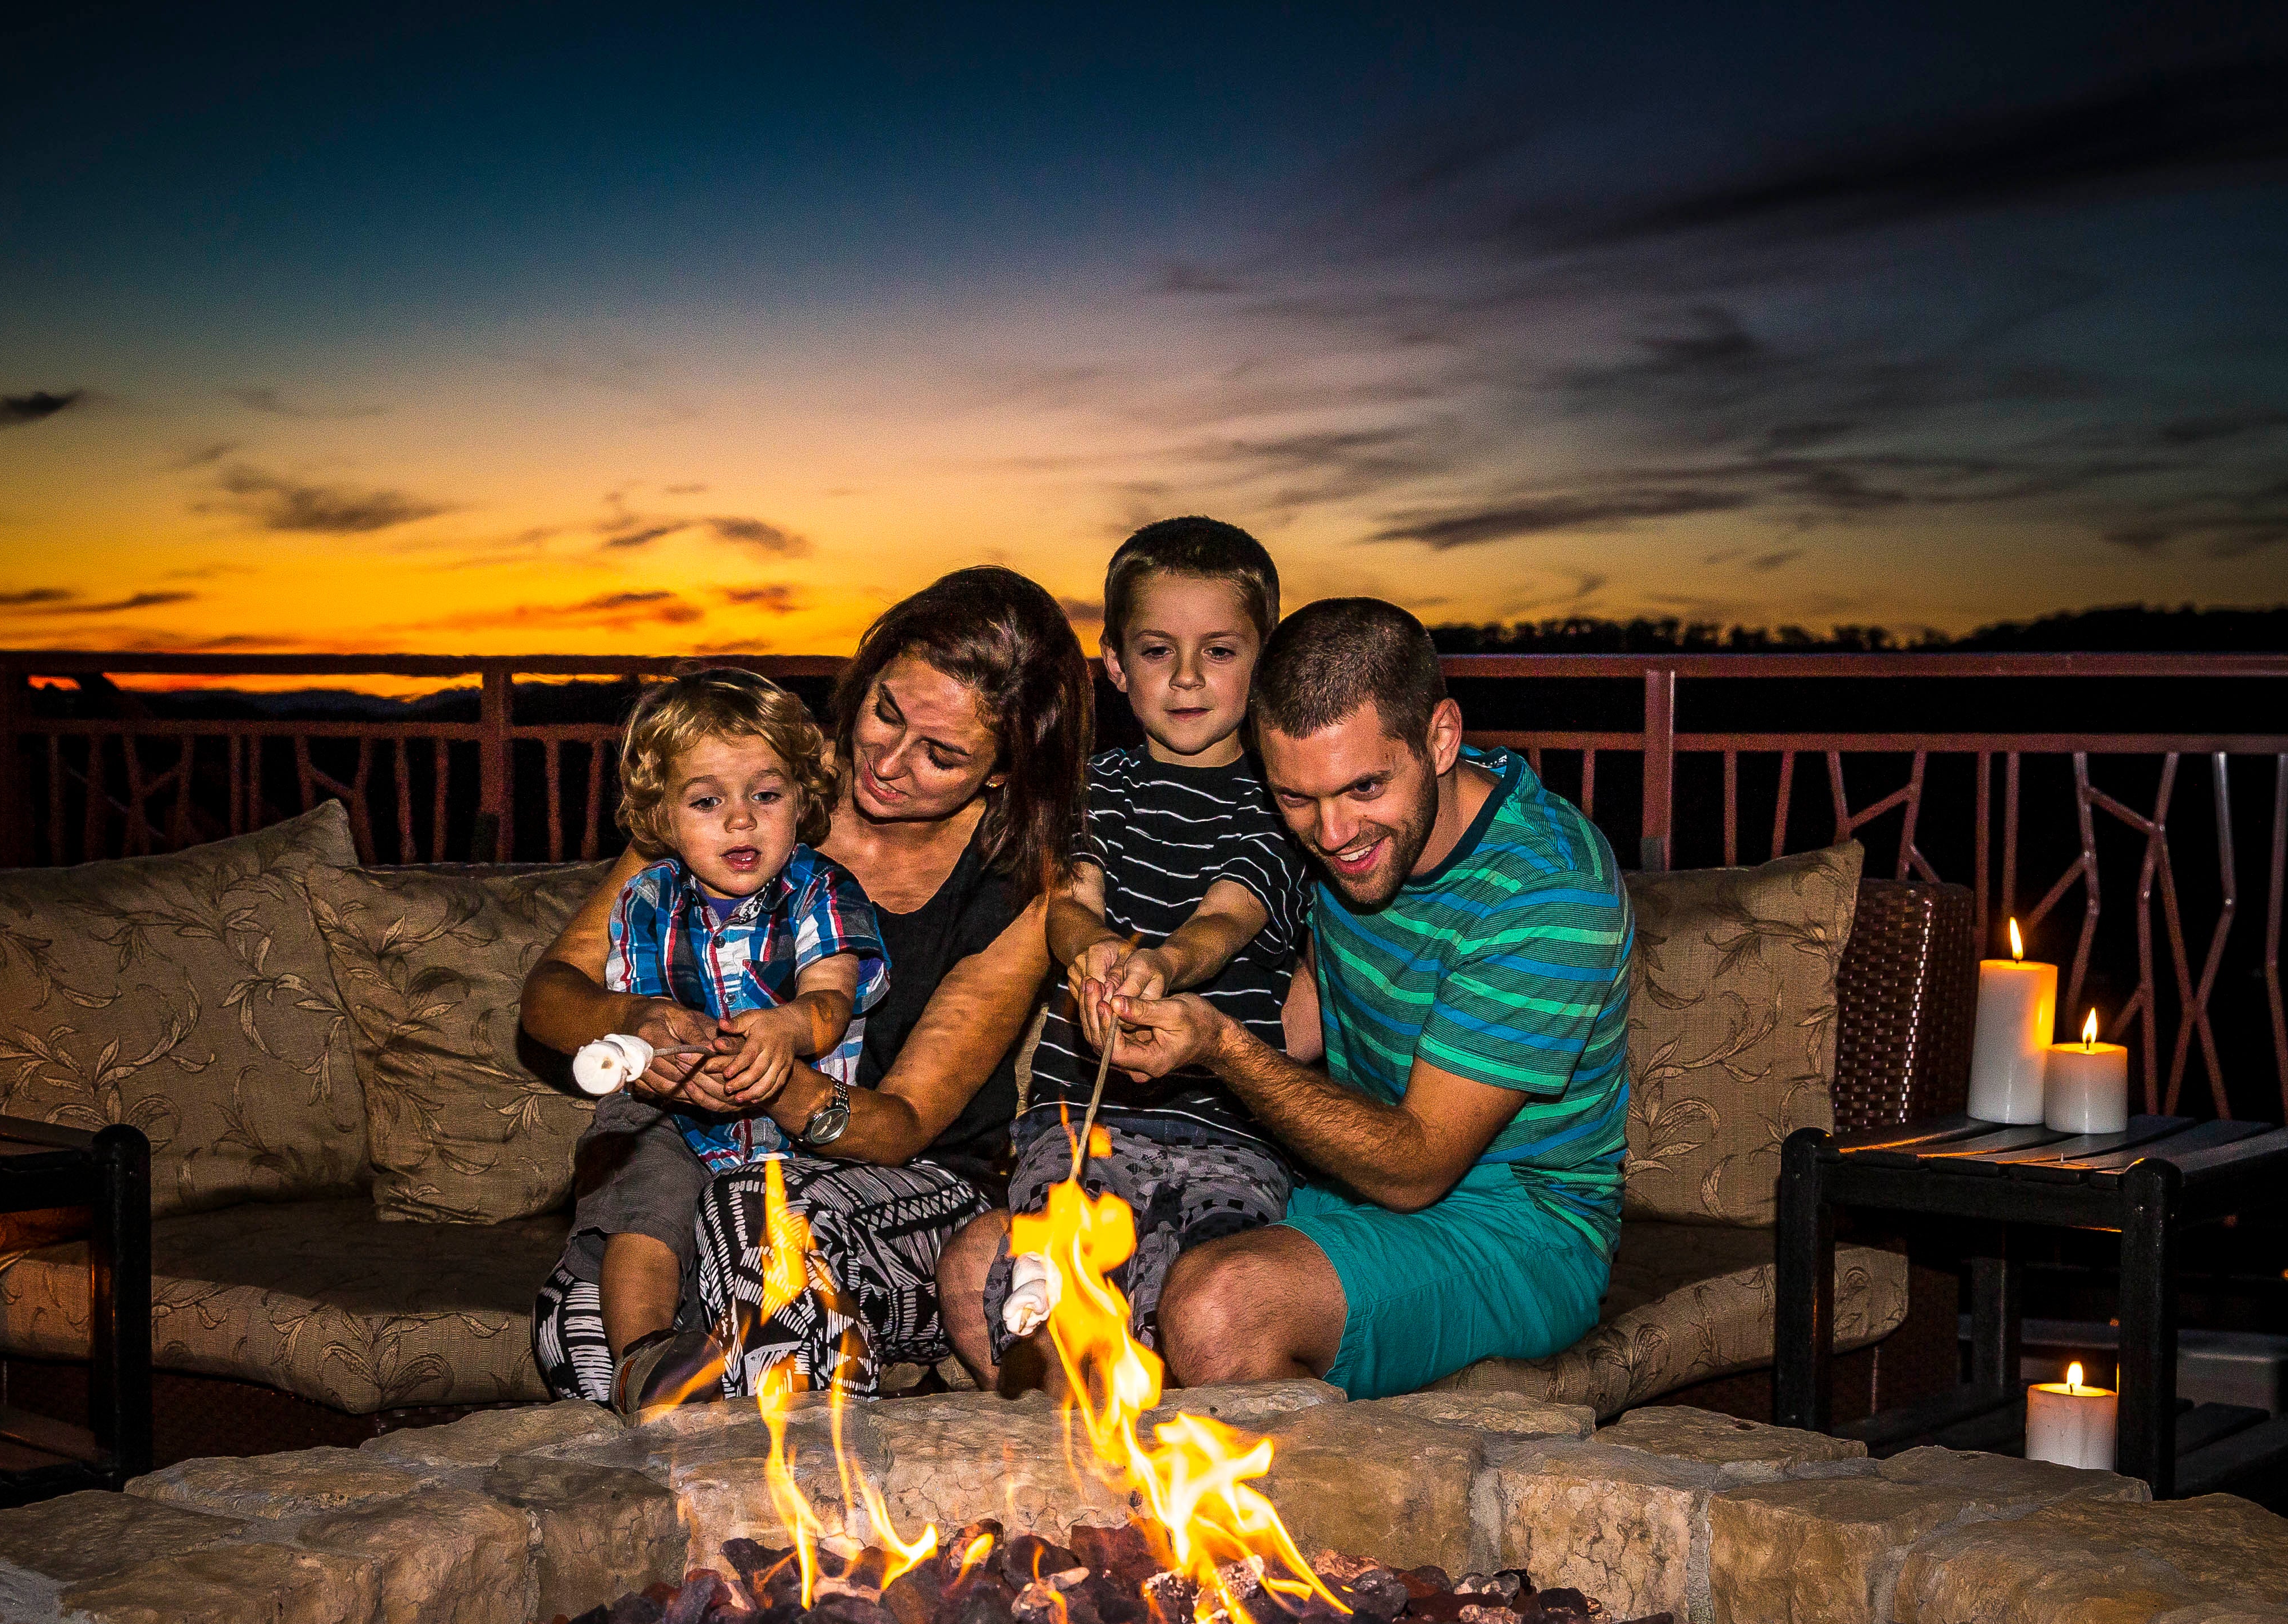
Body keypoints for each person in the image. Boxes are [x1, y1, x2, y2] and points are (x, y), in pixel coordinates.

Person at [521, 567, 1087, 1406]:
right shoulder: (745, 777)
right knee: (581, 1331)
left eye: (943, 755)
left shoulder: (1015, 887)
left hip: (906, 1192)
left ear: (1004, 771)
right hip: (697, 1156)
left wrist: (776, 1080)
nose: (889, 764)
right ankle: (695, 1524)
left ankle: (816, 1518)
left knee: (757, 1218)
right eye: (886, 712)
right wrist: (636, 1025)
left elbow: (900, 1127)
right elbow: (550, 996)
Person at [1105, 597, 1632, 1399]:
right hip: (1345, 1182)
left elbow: (1417, 1167)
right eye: (1296, 798)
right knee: (1056, 1275)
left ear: (1442, 737)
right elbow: (1325, 990)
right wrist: (1156, 1026)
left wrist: (1221, 1047)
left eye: (1364, 788)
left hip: (1522, 1223)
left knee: (1223, 1309)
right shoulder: (1347, 824)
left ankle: (1306, 1525)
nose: (1333, 832)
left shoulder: (1549, 891)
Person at [935, 517, 1310, 1386]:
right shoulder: (1097, 784)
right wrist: (1095, 947)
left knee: (1204, 1287)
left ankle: (1179, 1478)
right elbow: (1070, 902)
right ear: (1115, 666)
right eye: (1156, 651)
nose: (1185, 679)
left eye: (1218, 651)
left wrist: (1168, 965)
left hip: (1231, 1130)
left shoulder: (1281, 795)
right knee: (1037, 1264)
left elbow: (1232, 915)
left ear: (1265, 665)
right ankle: (1069, 1457)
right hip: (1085, 1118)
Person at [527, 669, 887, 1404]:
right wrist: (643, 1046)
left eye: (766, 794)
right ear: (662, 816)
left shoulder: (821, 891)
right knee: (643, 1197)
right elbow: (626, 1006)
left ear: (802, 797)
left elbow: (832, 1001)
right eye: (707, 801)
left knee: (781, 1225)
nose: (741, 821)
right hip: (672, 1110)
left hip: (790, 1126)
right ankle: (645, 1360)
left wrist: (787, 1028)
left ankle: (792, 1364)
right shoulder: (648, 898)